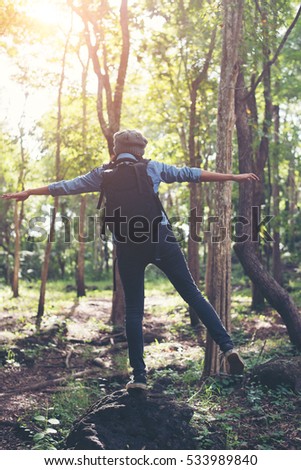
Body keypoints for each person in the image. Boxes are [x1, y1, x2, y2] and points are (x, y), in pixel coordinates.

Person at [1, 129, 259, 391]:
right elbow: (191, 174)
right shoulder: (152, 168)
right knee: (193, 295)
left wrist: (30, 191)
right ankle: (227, 349)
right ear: (140, 150)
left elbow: (66, 187)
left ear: (116, 149)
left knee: (134, 310)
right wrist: (232, 177)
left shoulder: (102, 174)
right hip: (161, 239)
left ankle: (139, 377)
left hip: (127, 247)